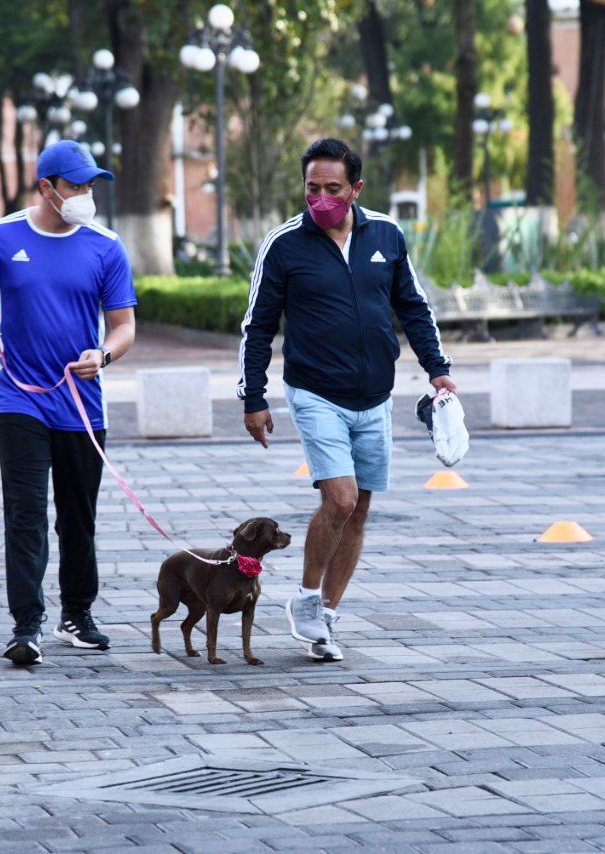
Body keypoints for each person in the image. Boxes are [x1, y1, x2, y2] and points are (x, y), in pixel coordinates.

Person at [238, 137, 456, 662]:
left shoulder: (386, 234)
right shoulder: (284, 244)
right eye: (312, 188)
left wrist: (438, 370)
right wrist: (254, 397)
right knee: (339, 498)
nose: (321, 198)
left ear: (356, 188)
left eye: (333, 188)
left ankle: (325, 621)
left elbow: (414, 307)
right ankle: (308, 598)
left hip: (375, 396)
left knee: (359, 510)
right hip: (315, 392)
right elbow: (257, 326)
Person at [0, 140, 137, 666]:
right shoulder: (2, 236)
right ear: (46, 188)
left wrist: (102, 355)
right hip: (19, 401)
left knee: (78, 516)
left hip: (83, 405)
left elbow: (124, 326)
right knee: (26, 514)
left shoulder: (106, 246)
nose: (84, 194)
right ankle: (26, 624)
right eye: (75, 186)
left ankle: (76, 614)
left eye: (89, 185)